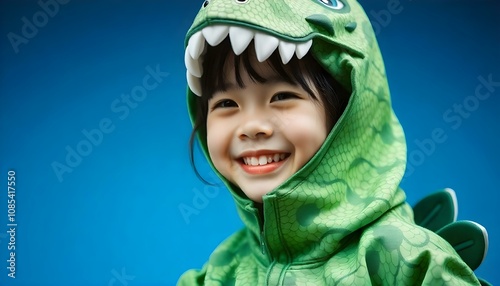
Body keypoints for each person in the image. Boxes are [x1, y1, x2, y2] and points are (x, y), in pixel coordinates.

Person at [179, 0, 482, 284]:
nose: (251, 127)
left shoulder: (411, 263)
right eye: (226, 103)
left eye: (282, 97)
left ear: (348, 114)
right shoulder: (220, 271)